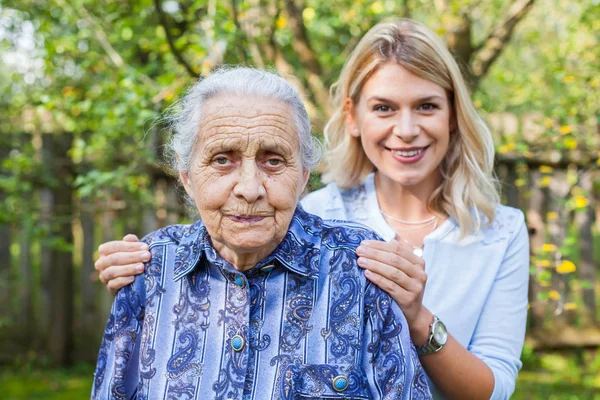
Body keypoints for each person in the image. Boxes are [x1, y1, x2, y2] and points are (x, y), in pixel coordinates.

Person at [95, 19, 529, 400]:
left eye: (427, 106)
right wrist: (140, 266)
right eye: (383, 107)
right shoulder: (299, 210)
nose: (407, 129)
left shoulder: (499, 231)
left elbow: (495, 385)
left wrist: (416, 316)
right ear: (353, 116)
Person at [91, 67, 431, 399]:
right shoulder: (150, 269)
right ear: (187, 177)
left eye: (273, 161)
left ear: (302, 176)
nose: (250, 189)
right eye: (223, 160)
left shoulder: (360, 265)